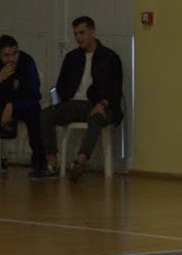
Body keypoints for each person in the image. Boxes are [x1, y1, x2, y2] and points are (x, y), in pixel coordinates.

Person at [32, 16, 124, 182]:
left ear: (92, 32)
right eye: (75, 34)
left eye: (82, 33)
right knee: (45, 115)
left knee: (96, 118)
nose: (78, 37)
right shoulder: (72, 58)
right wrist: (55, 102)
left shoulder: (110, 57)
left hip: (100, 104)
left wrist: (103, 103)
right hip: (74, 103)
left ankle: (79, 162)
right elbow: (60, 87)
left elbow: (115, 88)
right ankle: (52, 163)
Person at [0, 34, 47, 176]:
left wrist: (13, 105)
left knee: (35, 113)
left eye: (14, 54)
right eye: (6, 56)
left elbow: (35, 93)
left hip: (22, 104)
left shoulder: (27, 61)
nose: (11, 59)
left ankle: (40, 163)